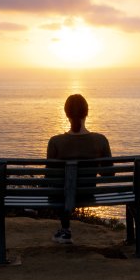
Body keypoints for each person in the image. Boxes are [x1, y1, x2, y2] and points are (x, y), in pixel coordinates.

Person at [46, 93, 111, 244]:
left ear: (66, 113)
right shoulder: (100, 140)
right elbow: (108, 173)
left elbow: (49, 176)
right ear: (87, 113)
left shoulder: (55, 142)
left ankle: (65, 229)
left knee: (61, 188)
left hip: (60, 196)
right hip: (87, 194)